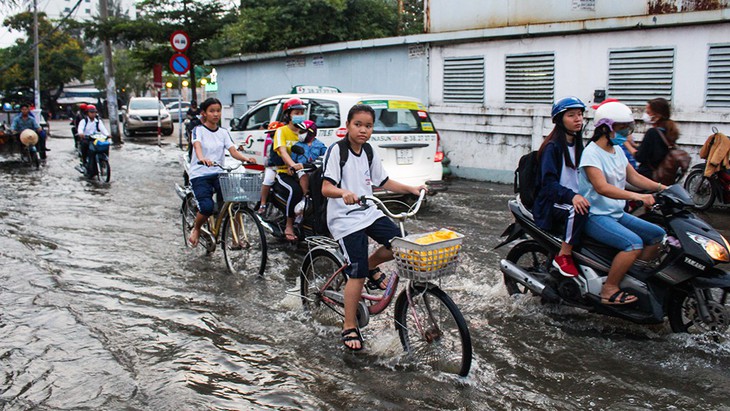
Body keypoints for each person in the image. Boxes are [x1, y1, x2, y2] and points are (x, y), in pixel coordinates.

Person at [321, 104, 425, 351]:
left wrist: (411, 188)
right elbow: (326, 187)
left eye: (368, 126)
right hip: (345, 219)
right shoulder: (337, 151)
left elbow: (383, 181)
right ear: (347, 125)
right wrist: (344, 192)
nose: (363, 130)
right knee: (355, 273)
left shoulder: (368, 151)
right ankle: (349, 325)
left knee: (403, 246)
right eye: (358, 124)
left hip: (369, 212)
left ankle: (370, 266)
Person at [578, 101, 666, 305]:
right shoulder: (591, 153)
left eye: (628, 127)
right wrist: (637, 197)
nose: (626, 132)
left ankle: (634, 277)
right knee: (633, 244)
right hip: (596, 215)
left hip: (616, 213)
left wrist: (663, 188)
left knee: (657, 235)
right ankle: (609, 289)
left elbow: (634, 178)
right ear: (605, 128)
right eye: (621, 128)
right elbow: (602, 187)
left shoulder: (616, 150)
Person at [187, 98, 257, 247]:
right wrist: (202, 158)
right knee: (207, 207)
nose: (216, 114)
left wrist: (246, 158)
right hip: (200, 175)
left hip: (219, 173)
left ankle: (236, 239)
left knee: (236, 201)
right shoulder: (198, 130)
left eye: (218, 110)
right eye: (212, 111)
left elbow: (233, 151)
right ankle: (197, 228)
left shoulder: (224, 132)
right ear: (204, 113)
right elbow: (197, 146)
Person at [533, 97, 590, 277]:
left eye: (580, 115)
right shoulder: (553, 147)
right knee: (579, 210)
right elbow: (548, 184)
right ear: (559, 120)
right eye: (571, 115)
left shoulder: (580, 145)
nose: (578, 119)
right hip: (553, 202)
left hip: (570, 197)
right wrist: (571, 197)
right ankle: (564, 255)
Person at [270, 97, 308, 241]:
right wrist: (292, 165)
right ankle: (289, 225)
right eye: (296, 112)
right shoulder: (282, 131)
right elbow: (283, 151)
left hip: (303, 171)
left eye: (301, 112)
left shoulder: (305, 131)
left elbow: (314, 145)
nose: (299, 115)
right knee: (295, 191)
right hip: (285, 172)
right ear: (288, 115)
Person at [635, 98, 680, 179]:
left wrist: (626, 144)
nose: (646, 115)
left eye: (648, 112)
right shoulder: (669, 131)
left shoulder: (652, 132)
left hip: (647, 176)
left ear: (657, 115)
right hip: (663, 176)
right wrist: (634, 145)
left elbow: (640, 157)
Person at [291, 120, 327, 197]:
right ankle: (306, 196)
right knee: (304, 176)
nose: (299, 133)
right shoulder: (297, 145)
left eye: (302, 131)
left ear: (311, 132)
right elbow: (292, 161)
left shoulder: (320, 145)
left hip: (315, 169)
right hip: (301, 170)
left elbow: (326, 157)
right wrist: (292, 167)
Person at [257, 121, 285, 216]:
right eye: (272, 133)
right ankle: (263, 203)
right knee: (268, 181)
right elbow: (273, 159)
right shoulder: (272, 143)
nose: (273, 135)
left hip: (286, 167)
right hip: (273, 167)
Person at [77, 105, 110, 174]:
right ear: (87, 113)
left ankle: (103, 162)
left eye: (94, 112)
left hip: (96, 138)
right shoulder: (84, 121)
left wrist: (107, 135)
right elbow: (80, 129)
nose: (93, 114)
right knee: (84, 145)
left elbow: (103, 129)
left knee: (105, 145)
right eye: (91, 112)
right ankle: (84, 162)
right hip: (87, 138)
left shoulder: (98, 121)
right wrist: (81, 133)